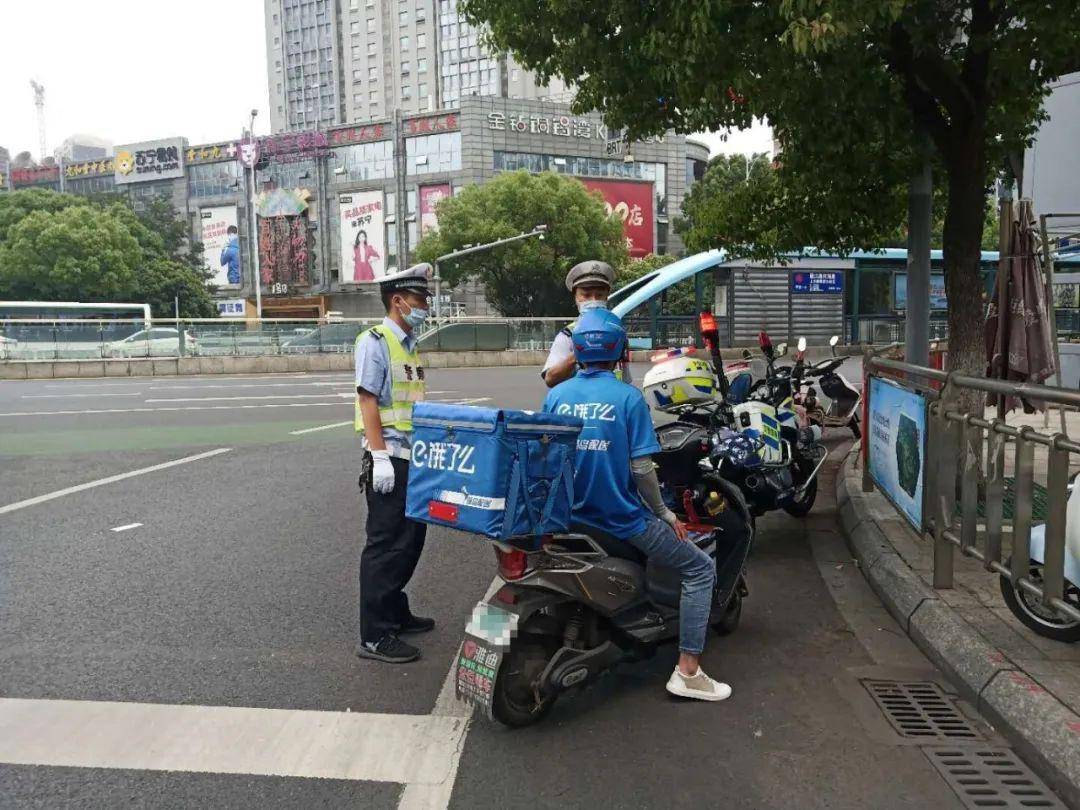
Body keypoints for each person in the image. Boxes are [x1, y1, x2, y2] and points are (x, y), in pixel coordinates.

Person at [542, 309, 731, 702]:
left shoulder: (557, 396)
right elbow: (642, 468)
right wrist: (664, 513)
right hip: (620, 520)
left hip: (567, 518)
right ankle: (688, 672)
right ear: (620, 351)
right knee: (700, 567)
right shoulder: (627, 398)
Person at [354, 263, 435, 663]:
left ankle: (395, 611)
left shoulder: (410, 343)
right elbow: (367, 399)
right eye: (419, 299)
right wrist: (380, 455)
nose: (425, 305)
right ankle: (374, 635)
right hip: (390, 457)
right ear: (398, 300)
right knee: (385, 546)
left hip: (412, 456)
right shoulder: (376, 340)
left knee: (411, 540)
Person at [541, 259, 631, 388]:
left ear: (606, 297)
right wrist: (579, 352)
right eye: (586, 295)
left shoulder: (616, 331)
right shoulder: (568, 335)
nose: (593, 300)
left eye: (599, 295)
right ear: (576, 298)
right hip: (578, 402)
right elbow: (550, 379)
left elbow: (625, 377)